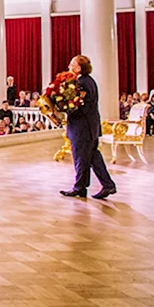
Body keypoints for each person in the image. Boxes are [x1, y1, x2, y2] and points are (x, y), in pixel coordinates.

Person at [60, 55, 117, 200]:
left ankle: (80, 187)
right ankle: (107, 185)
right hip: (90, 127)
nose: (68, 66)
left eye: (71, 64)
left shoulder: (82, 83)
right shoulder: (88, 81)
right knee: (92, 157)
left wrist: (64, 109)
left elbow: (81, 107)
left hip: (82, 128)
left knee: (80, 157)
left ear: (78, 68)